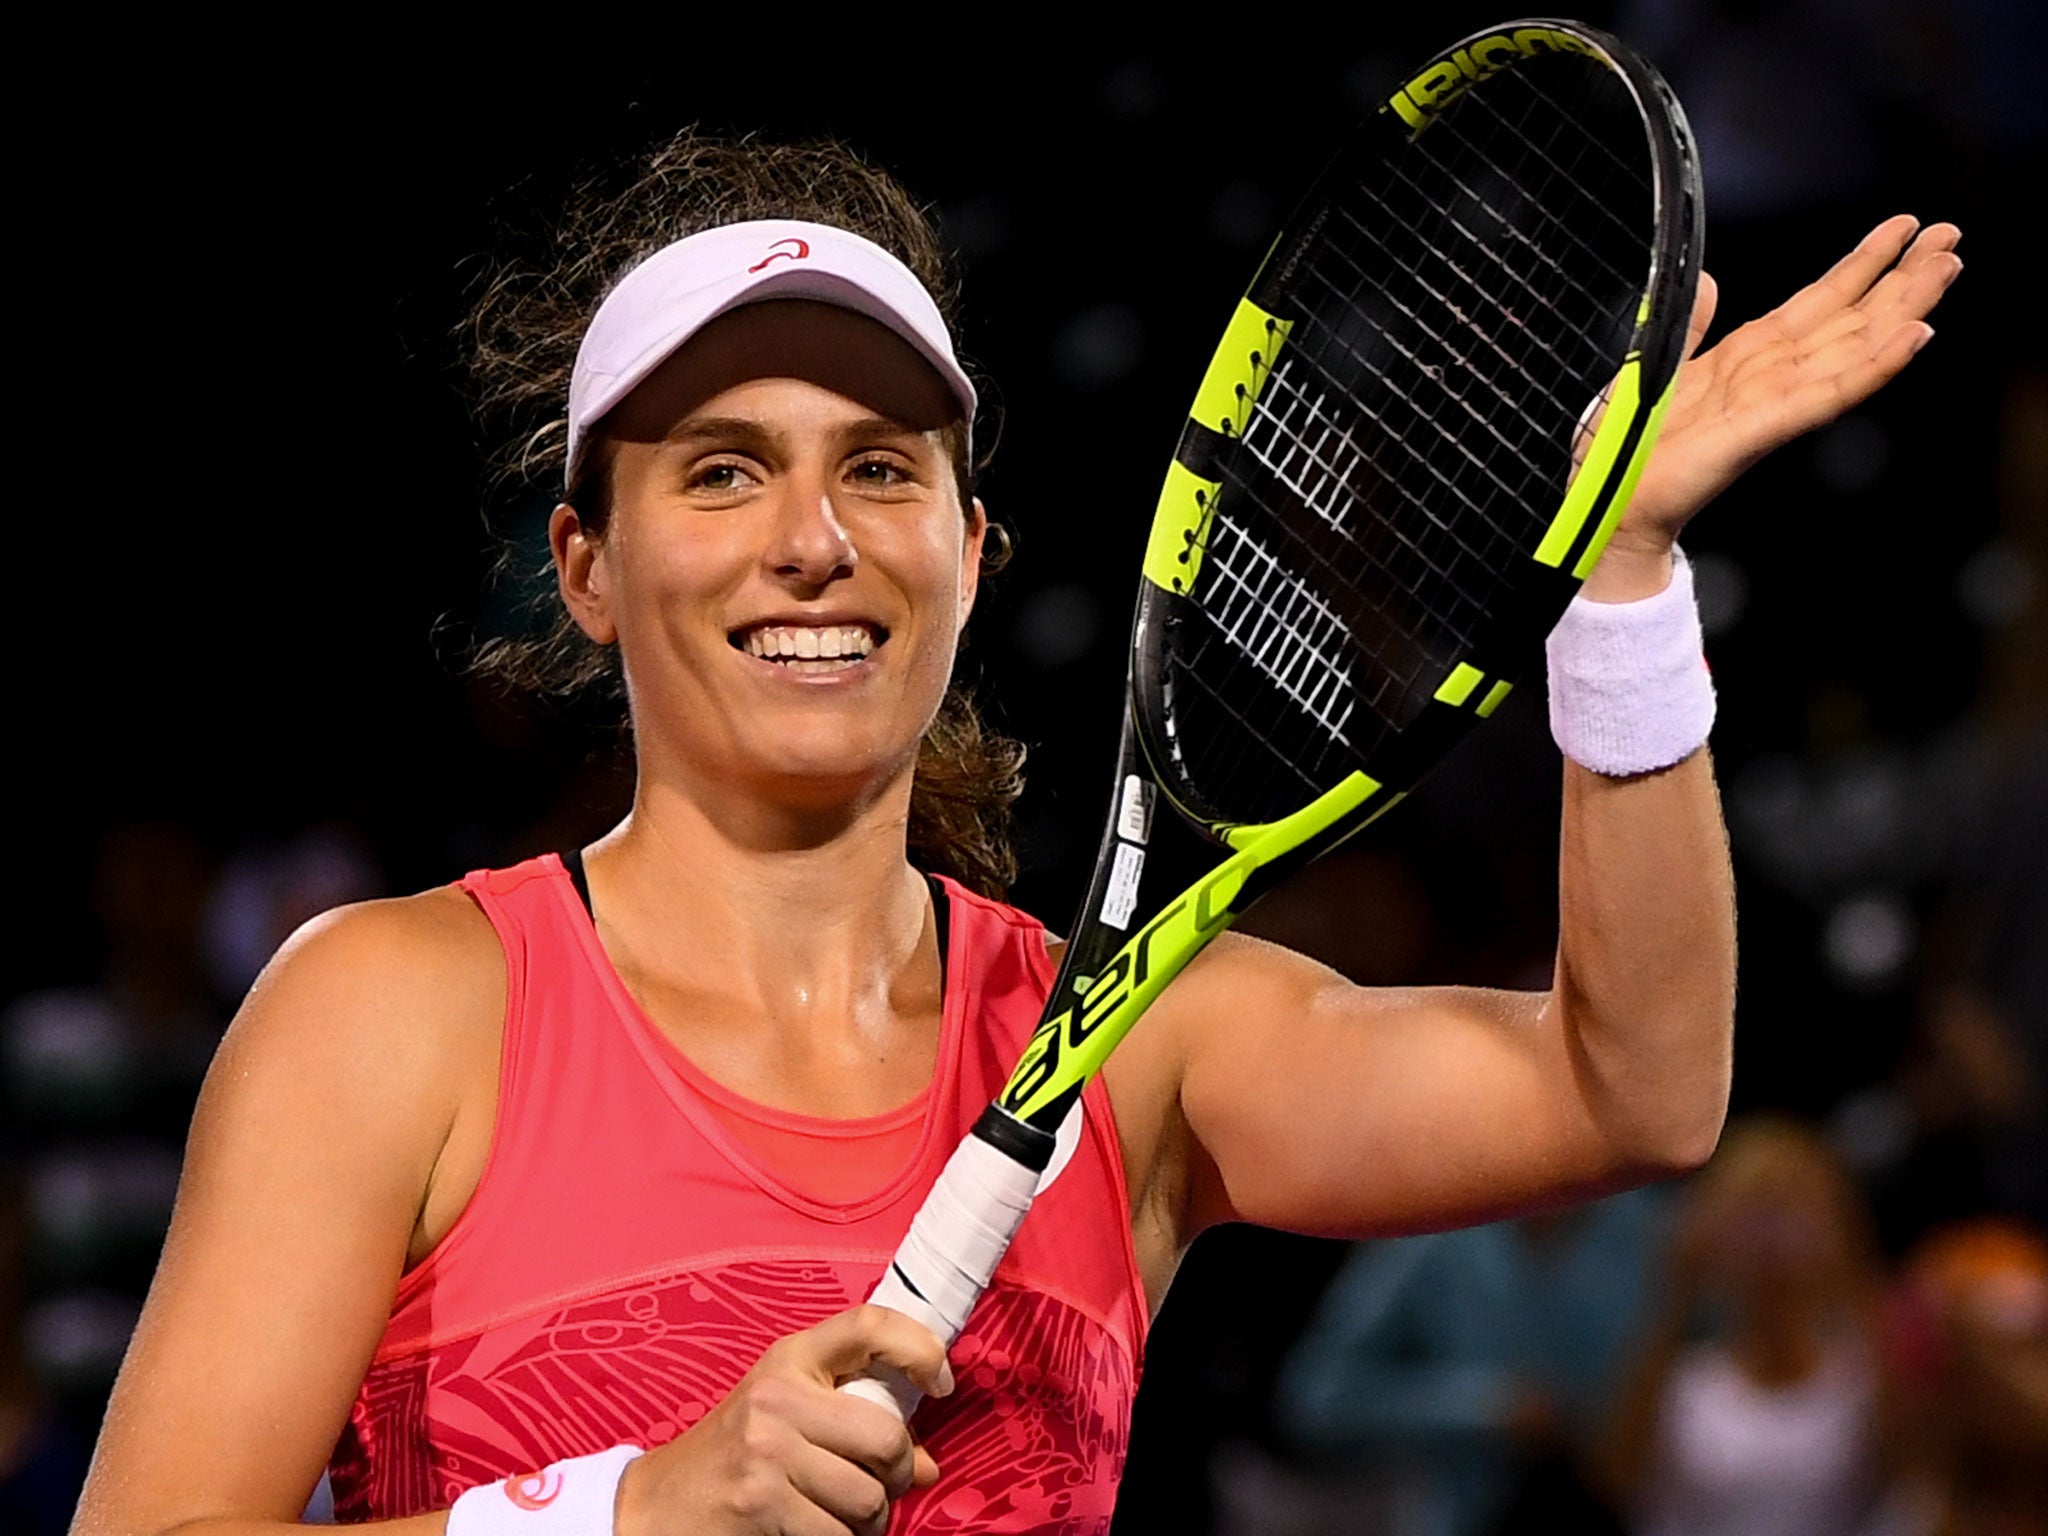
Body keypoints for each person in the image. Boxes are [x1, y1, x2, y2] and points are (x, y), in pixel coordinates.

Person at [72, 129, 1961, 1536]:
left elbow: (1634, 1094)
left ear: (969, 560)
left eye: (881, 469)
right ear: (587, 564)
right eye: (724, 469)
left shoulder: (1146, 1043)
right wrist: (621, 1515)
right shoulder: (394, 1010)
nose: (814, 536)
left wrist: (1617, 589)